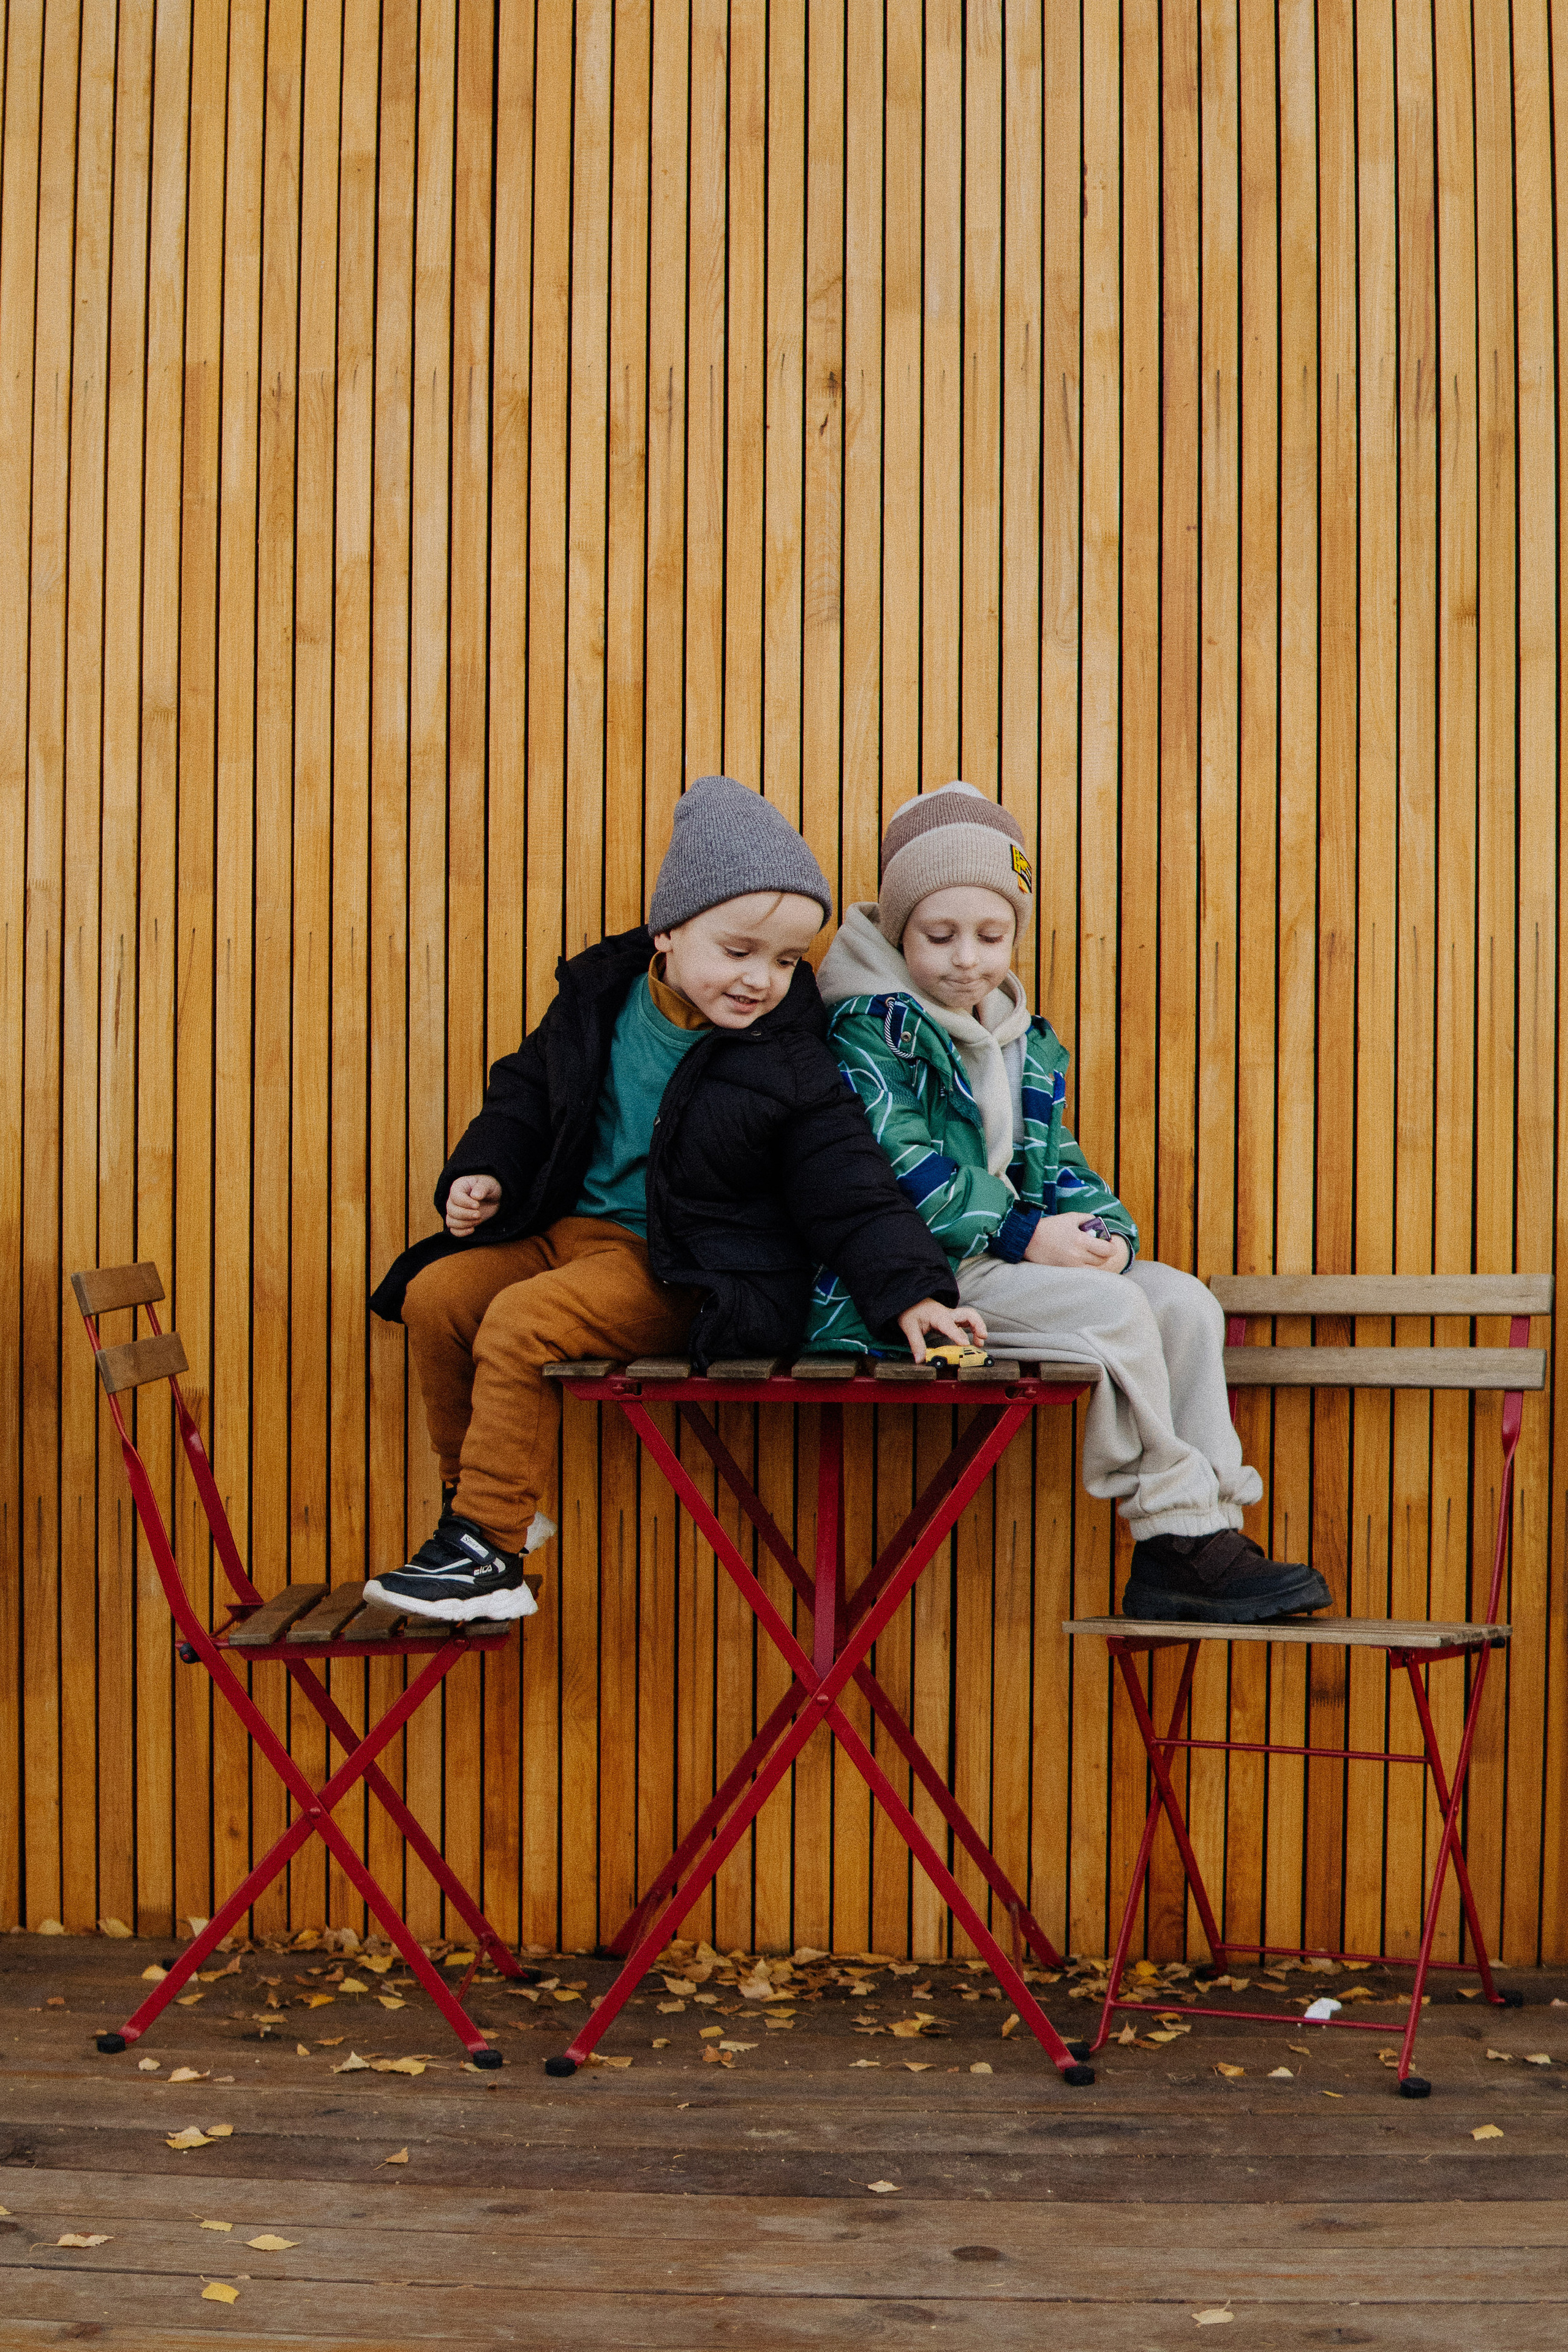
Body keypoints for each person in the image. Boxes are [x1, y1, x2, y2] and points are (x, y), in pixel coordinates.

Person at [365, 775, 981, 1623]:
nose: (762, 979)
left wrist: (912, 1288)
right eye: (740, 951)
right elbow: (525, 1095)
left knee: (521, 1320)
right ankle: (478, 1520)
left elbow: (848, 1180)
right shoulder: (598, 1001)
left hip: (687, 1268)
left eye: (787, 961)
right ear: (668, 930)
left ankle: (485, 1544)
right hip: (565, 1236)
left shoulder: (786, 1057)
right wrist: (485, 1172)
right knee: (437, 1296)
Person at [804, 780, 1330, 1625]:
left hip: (1009, 1262)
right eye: (940, 935)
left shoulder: (1022, 1039)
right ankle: (1174, 1531)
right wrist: (1023, 1233)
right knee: (1115, 1313)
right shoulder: (872, 1029)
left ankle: (1208, 1534)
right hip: (911, 1288)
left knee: (1182, 1302)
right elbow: (890, 1164)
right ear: (900, 930)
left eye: (992, 934)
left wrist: (1105, 1234)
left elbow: (1062, 1165)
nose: (967, 958)